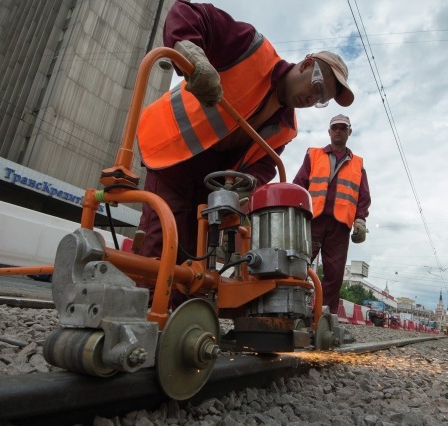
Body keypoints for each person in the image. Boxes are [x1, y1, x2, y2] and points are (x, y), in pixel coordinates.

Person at [136, 1, 354, 308]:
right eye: (318, 87)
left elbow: (263, 165)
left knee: (196, 260)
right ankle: (146, 318)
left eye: (321, 99)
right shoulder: (252, 49)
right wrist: (193, 56)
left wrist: (246, 184)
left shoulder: (287, 127)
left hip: (209, 184)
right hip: (171, 151)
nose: (313, 98)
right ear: (306, 65)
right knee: (162, 243)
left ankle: (185, 320)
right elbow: (186, 11)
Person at [292, 114, 371, 314]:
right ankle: (292, 308)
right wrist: (295, 211)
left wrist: (360, 220)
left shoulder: (358, 165)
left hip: (340, 226)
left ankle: (324, 316)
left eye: (342, 128)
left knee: (334, 274)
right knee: (299, 264)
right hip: (313, 221)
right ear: (329, 132)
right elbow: (299, 184)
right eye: (335, 127)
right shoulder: (313, 155)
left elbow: (363, 196)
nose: (338, 131)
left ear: (349, 132)